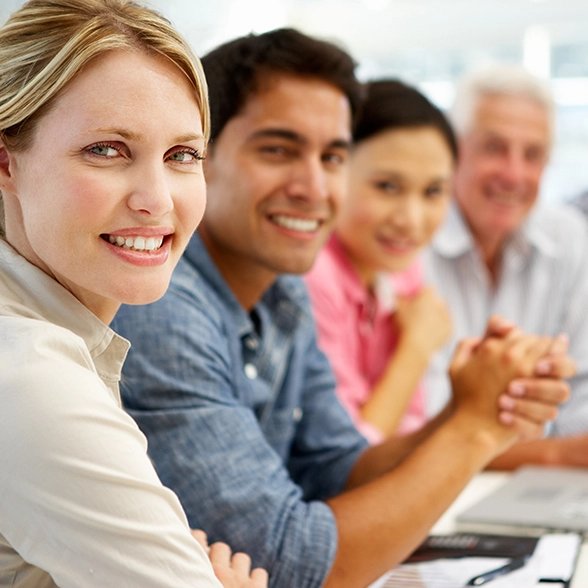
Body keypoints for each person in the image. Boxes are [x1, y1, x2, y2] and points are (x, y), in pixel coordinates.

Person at [113, 29, 574, 588]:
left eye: (332, 156)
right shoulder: (162, 306)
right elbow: (292, 564)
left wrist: (473, 407)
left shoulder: (283, 287)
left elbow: (340, 468)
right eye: (278, 149)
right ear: (197, 156)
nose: (314, 186)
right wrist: (473, 431)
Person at [0, 1, 268, 587]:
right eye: (106, 150)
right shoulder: (29, 378)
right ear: (5, 161)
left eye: (182, 155)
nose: (157, 199)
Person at [423, 63, 588, 470]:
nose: (514, 174)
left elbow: (581, 397)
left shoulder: (568, 239)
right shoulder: (408, 241)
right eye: (494, 148)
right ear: (453, 151)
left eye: (532, 155)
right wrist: (553, 453)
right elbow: (417, 431)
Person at [304, 80, 453, 443]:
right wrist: (416, 346)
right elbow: (352, 451)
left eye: (433, 192)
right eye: (388, 187)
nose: (411, 220)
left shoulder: (400, 272)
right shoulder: (313, 273)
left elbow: (407, 427)